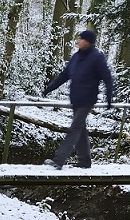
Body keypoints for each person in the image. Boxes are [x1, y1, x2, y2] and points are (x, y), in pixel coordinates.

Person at [41, 29, 115, 169]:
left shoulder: (97, 58)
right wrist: (49, 88)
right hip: (75, 98)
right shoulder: (76, 57)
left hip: (87, 99)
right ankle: (84, 161)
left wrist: (109, 98)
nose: (78, 41)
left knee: (75, 129)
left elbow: (107, 78)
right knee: (80, 130)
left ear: (88, 42)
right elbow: (64, 76)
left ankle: (58, 161)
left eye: (81, 39)